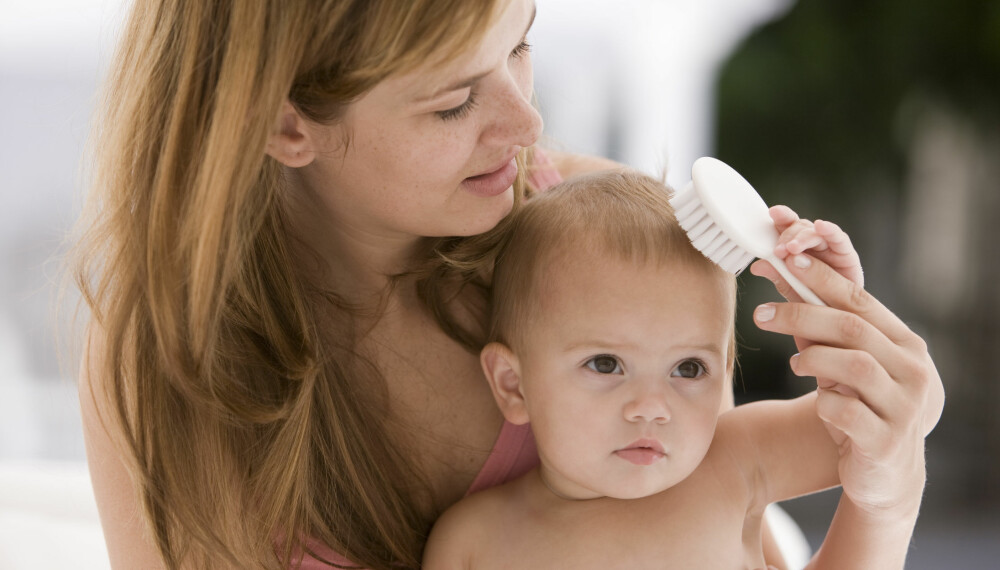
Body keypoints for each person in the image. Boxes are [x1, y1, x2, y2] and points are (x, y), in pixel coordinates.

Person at [72, 1, 943, 569]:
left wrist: (889, 471)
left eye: (521, 43)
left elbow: (746, 510)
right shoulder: (168, 364)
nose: (528, 124)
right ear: (282, 122)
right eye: (454, 102)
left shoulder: (586, 241)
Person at [422, 170, 942, 569]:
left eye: (689, 368)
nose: (652, 406)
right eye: (606, 364)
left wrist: (845, 328)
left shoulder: (736, 457)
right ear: (514, 385)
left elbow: (912, 411)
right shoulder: (474, 542)